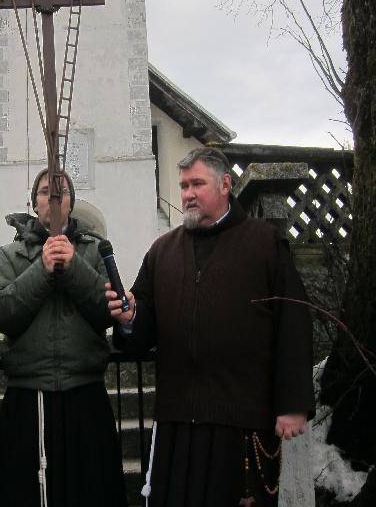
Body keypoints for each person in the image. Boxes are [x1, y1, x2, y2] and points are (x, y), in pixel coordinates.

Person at [108, 146, 315, 507]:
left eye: (197, 184)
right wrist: (129, 319)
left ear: (225, 185)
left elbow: (294, 323)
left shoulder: (264, 243)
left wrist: (293, 403)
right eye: (183, 186)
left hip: (242, 420)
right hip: (177, 423)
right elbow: (142, 332)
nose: (188, 194)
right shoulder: (162, 252)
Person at [0, 169, 127, 507]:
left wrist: (73, 265)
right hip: (29, 393)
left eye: (60, 192)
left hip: (84, 392)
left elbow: (107, 311)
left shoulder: (95, 250)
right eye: (45, 192)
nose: (53, 199)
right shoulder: (12, 255)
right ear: (34, 203)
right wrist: (42, 269)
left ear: (70, 203)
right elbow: (1, 312)